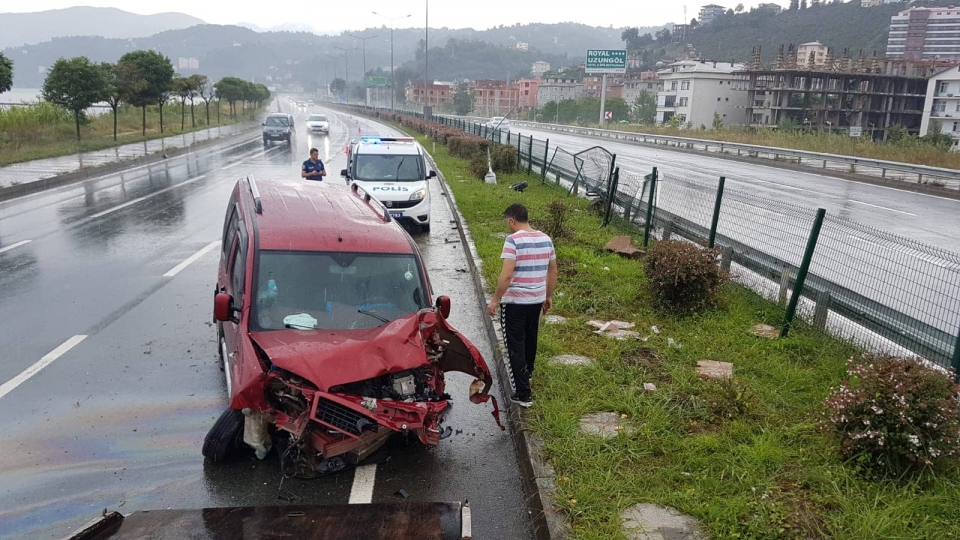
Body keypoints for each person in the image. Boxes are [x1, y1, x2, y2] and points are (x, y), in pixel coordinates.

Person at [486, 203, 557, 408]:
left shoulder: (512, 240)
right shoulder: (546, 239)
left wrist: (495, 300)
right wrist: (548, 295)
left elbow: (507, 275)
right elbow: (553, 271)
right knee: (530, 338)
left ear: (511, 220)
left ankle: (524, 394)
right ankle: (529, 374)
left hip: (515, 302)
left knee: (515, 344)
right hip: (536, 300)